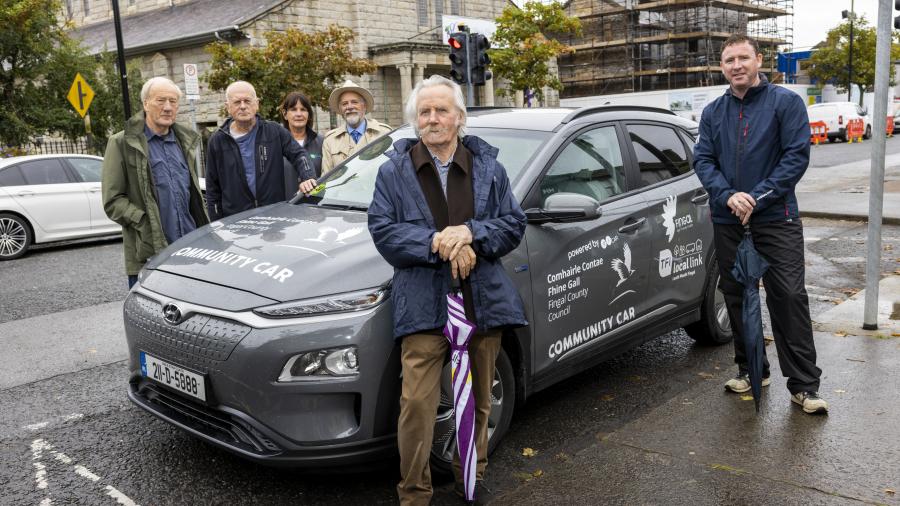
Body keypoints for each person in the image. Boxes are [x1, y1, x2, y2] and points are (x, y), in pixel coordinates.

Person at [368, 75, 527, 505]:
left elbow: (513, 224)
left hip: (481, 303)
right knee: (416, 405)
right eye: (424, 111)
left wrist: (470, 234)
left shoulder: (489, 168)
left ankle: (470, 479)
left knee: (478, 401)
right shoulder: (393, 171)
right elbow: (383, 232)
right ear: (415, 120)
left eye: (441, 110)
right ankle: (414, 493)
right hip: (423, 304)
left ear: (459, 117)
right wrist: (438, 243)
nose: (432, 119)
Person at [693, 34, 827, 415]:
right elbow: (703, 160)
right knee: (736, 296)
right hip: (729, 218)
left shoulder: (785, 103)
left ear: (759, 60)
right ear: (722, 66)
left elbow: (795, 156)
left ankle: (803, 385)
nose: (736, 66)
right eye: (728, 60)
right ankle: (752, 369)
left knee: (787, 296)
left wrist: (758, 196)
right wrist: (728, 196)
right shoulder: (713, 112)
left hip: (775, 218)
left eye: (742, 58)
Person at [102, 77, 209, 288]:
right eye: (161, 100)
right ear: (145, 104)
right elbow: (112, 201)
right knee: (150, 318)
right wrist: (145, 224)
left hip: (189, 249)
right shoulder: (122, 142)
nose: (168, 107)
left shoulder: (184, 141)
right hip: (149, 253)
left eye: (173, 101)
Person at [205, 81, 316, 220]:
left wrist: (307, 176)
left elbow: (299, 154)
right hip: (236, 221)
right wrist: (216, 223)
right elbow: (212, 188)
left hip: (273, 217)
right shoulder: (217, 141)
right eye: (237, 102)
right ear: (227, 107)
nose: (243, 106)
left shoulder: (274, 131)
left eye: (247, 101)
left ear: (256, 104)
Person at [320, 79, 391, 174]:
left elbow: (393, 171)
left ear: (364, 106)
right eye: (344, 104)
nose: (349, 107)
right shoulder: (330, 140)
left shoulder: (384, 133)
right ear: (340, 109)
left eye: (354, 102)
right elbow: (326, 178)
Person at [280, 91, 324, 193]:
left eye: (303, 110)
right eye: (293, 109)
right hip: (284, 206)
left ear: (309, 114)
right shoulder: (276, 144)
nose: (299, 114)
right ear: (285, 114)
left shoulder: (322, 142)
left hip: (316, 205)